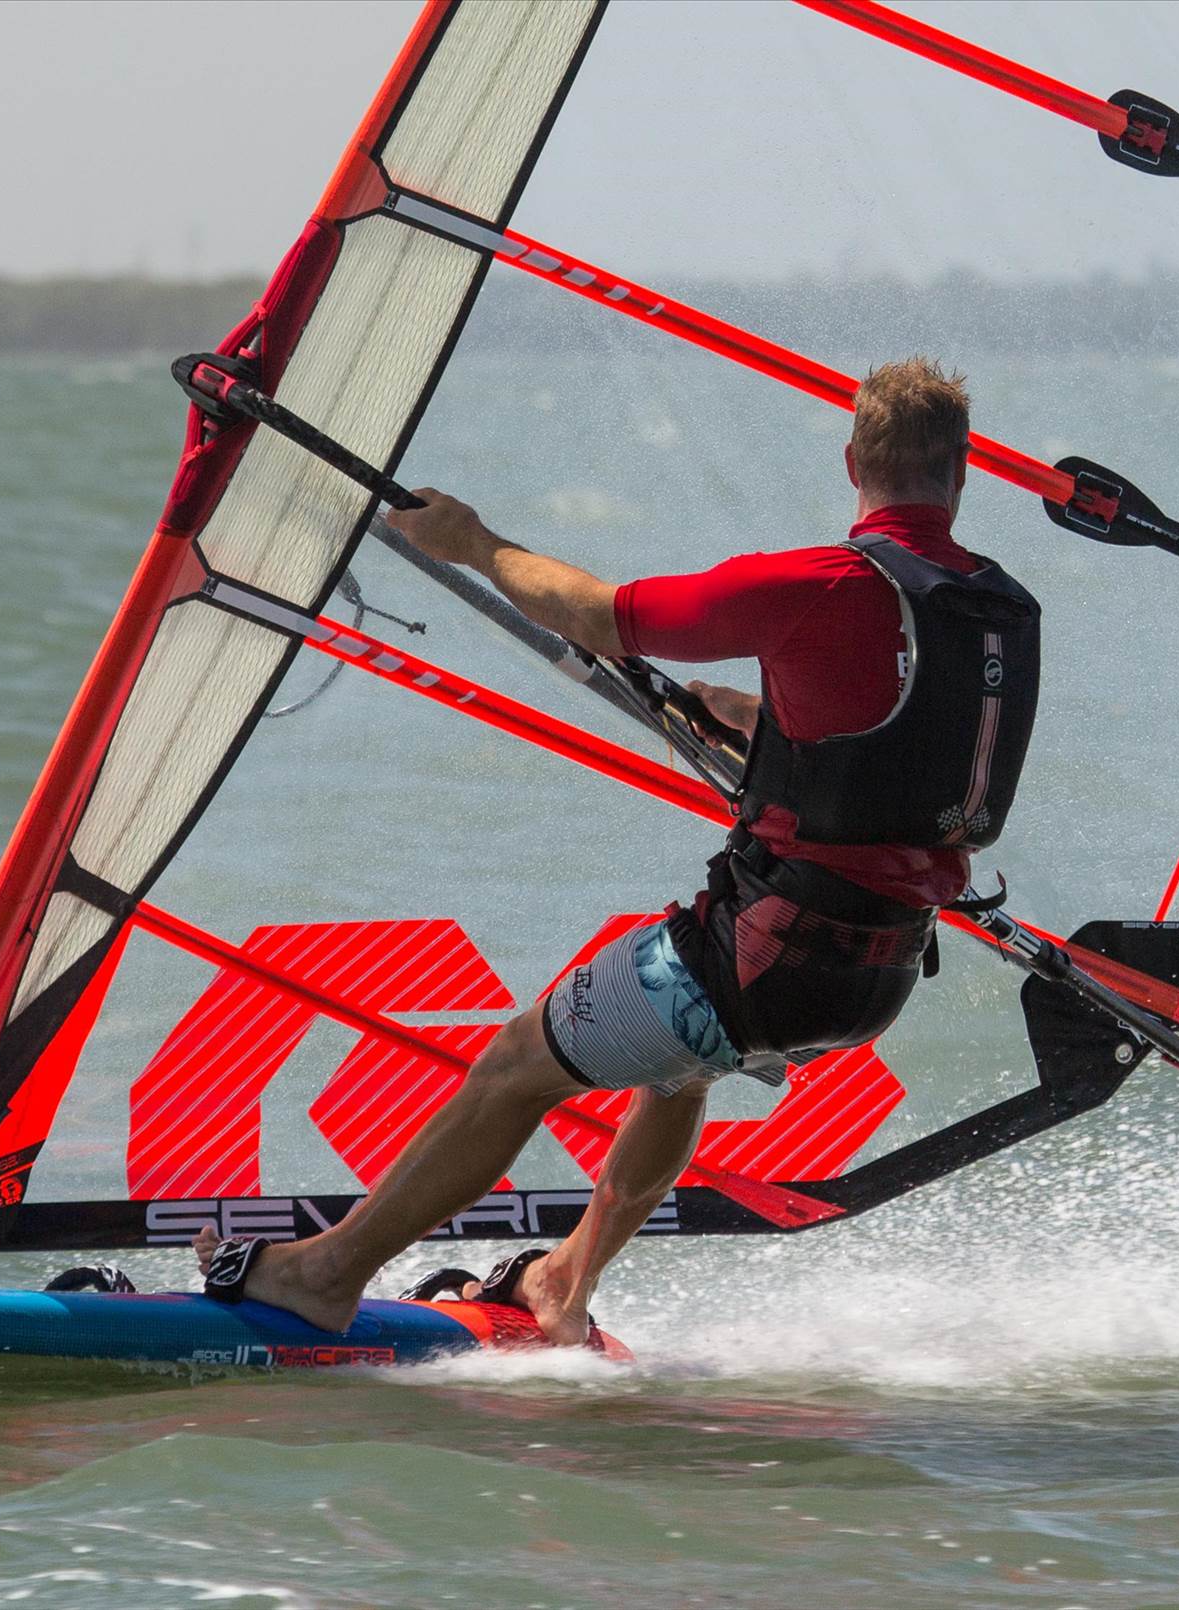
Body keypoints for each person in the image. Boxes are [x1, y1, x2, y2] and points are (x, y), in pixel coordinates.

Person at [194, 357, 1040, 1345]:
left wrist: (472, 542)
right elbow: (913, 755)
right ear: (962, 471)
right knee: (678, 1066)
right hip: (877, 975)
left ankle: (326, 1272)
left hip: (759, 961)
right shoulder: (1003, 612)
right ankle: (565, 1280)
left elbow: (600, 616)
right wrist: (769, 723)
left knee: (517, 1065)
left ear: (852, 461)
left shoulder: (821, 583)